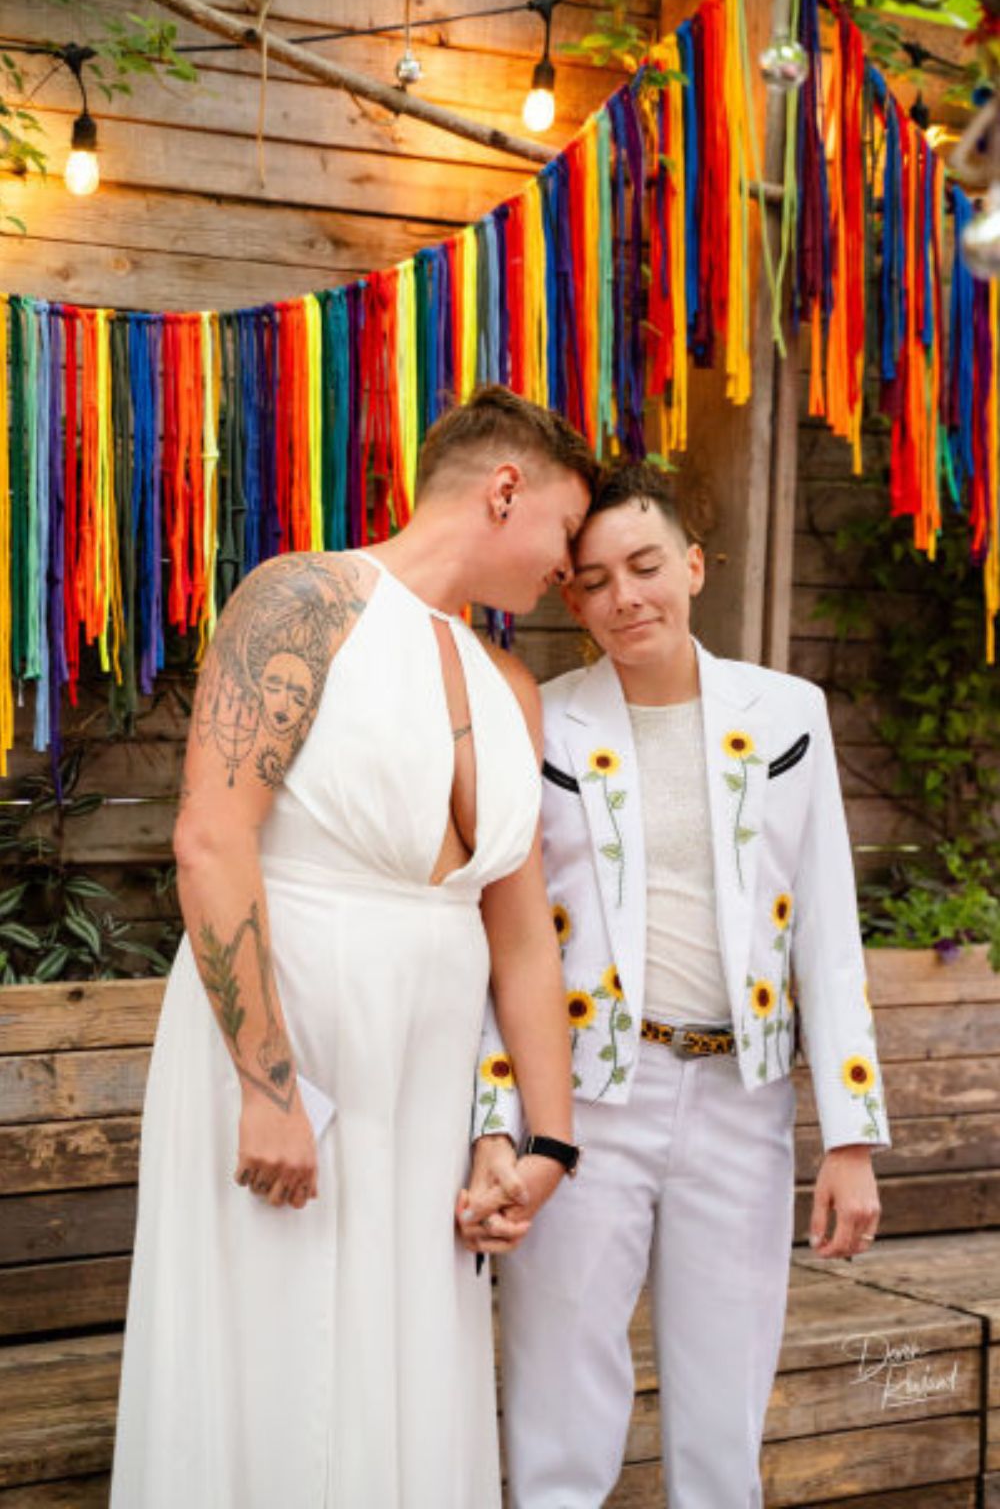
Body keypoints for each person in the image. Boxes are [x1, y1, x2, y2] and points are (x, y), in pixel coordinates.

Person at [110, 386, 598, 1509]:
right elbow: (210, 834)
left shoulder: (508, 686)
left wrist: (539, 1142)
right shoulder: (305, 598)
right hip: (287, 1059)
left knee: (404, 1362)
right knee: (272, 1358)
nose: (567, 573)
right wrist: (270, 1085)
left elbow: (520, 939)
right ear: (504, 488)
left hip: (423, 1092)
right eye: (567, 538)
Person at [463, 460, 890, 1508]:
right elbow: (499, 941)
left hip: (741, 1101)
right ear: (572, 597)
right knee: (559, 1402)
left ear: (692, 566)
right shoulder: (542, 722)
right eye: (596, 579)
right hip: (585, 1102)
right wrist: (497, 1119)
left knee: (723, 1411)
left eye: (646, 566)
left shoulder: (788, 714)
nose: (625, 597)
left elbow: (826, 930)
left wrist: (847, 1138)